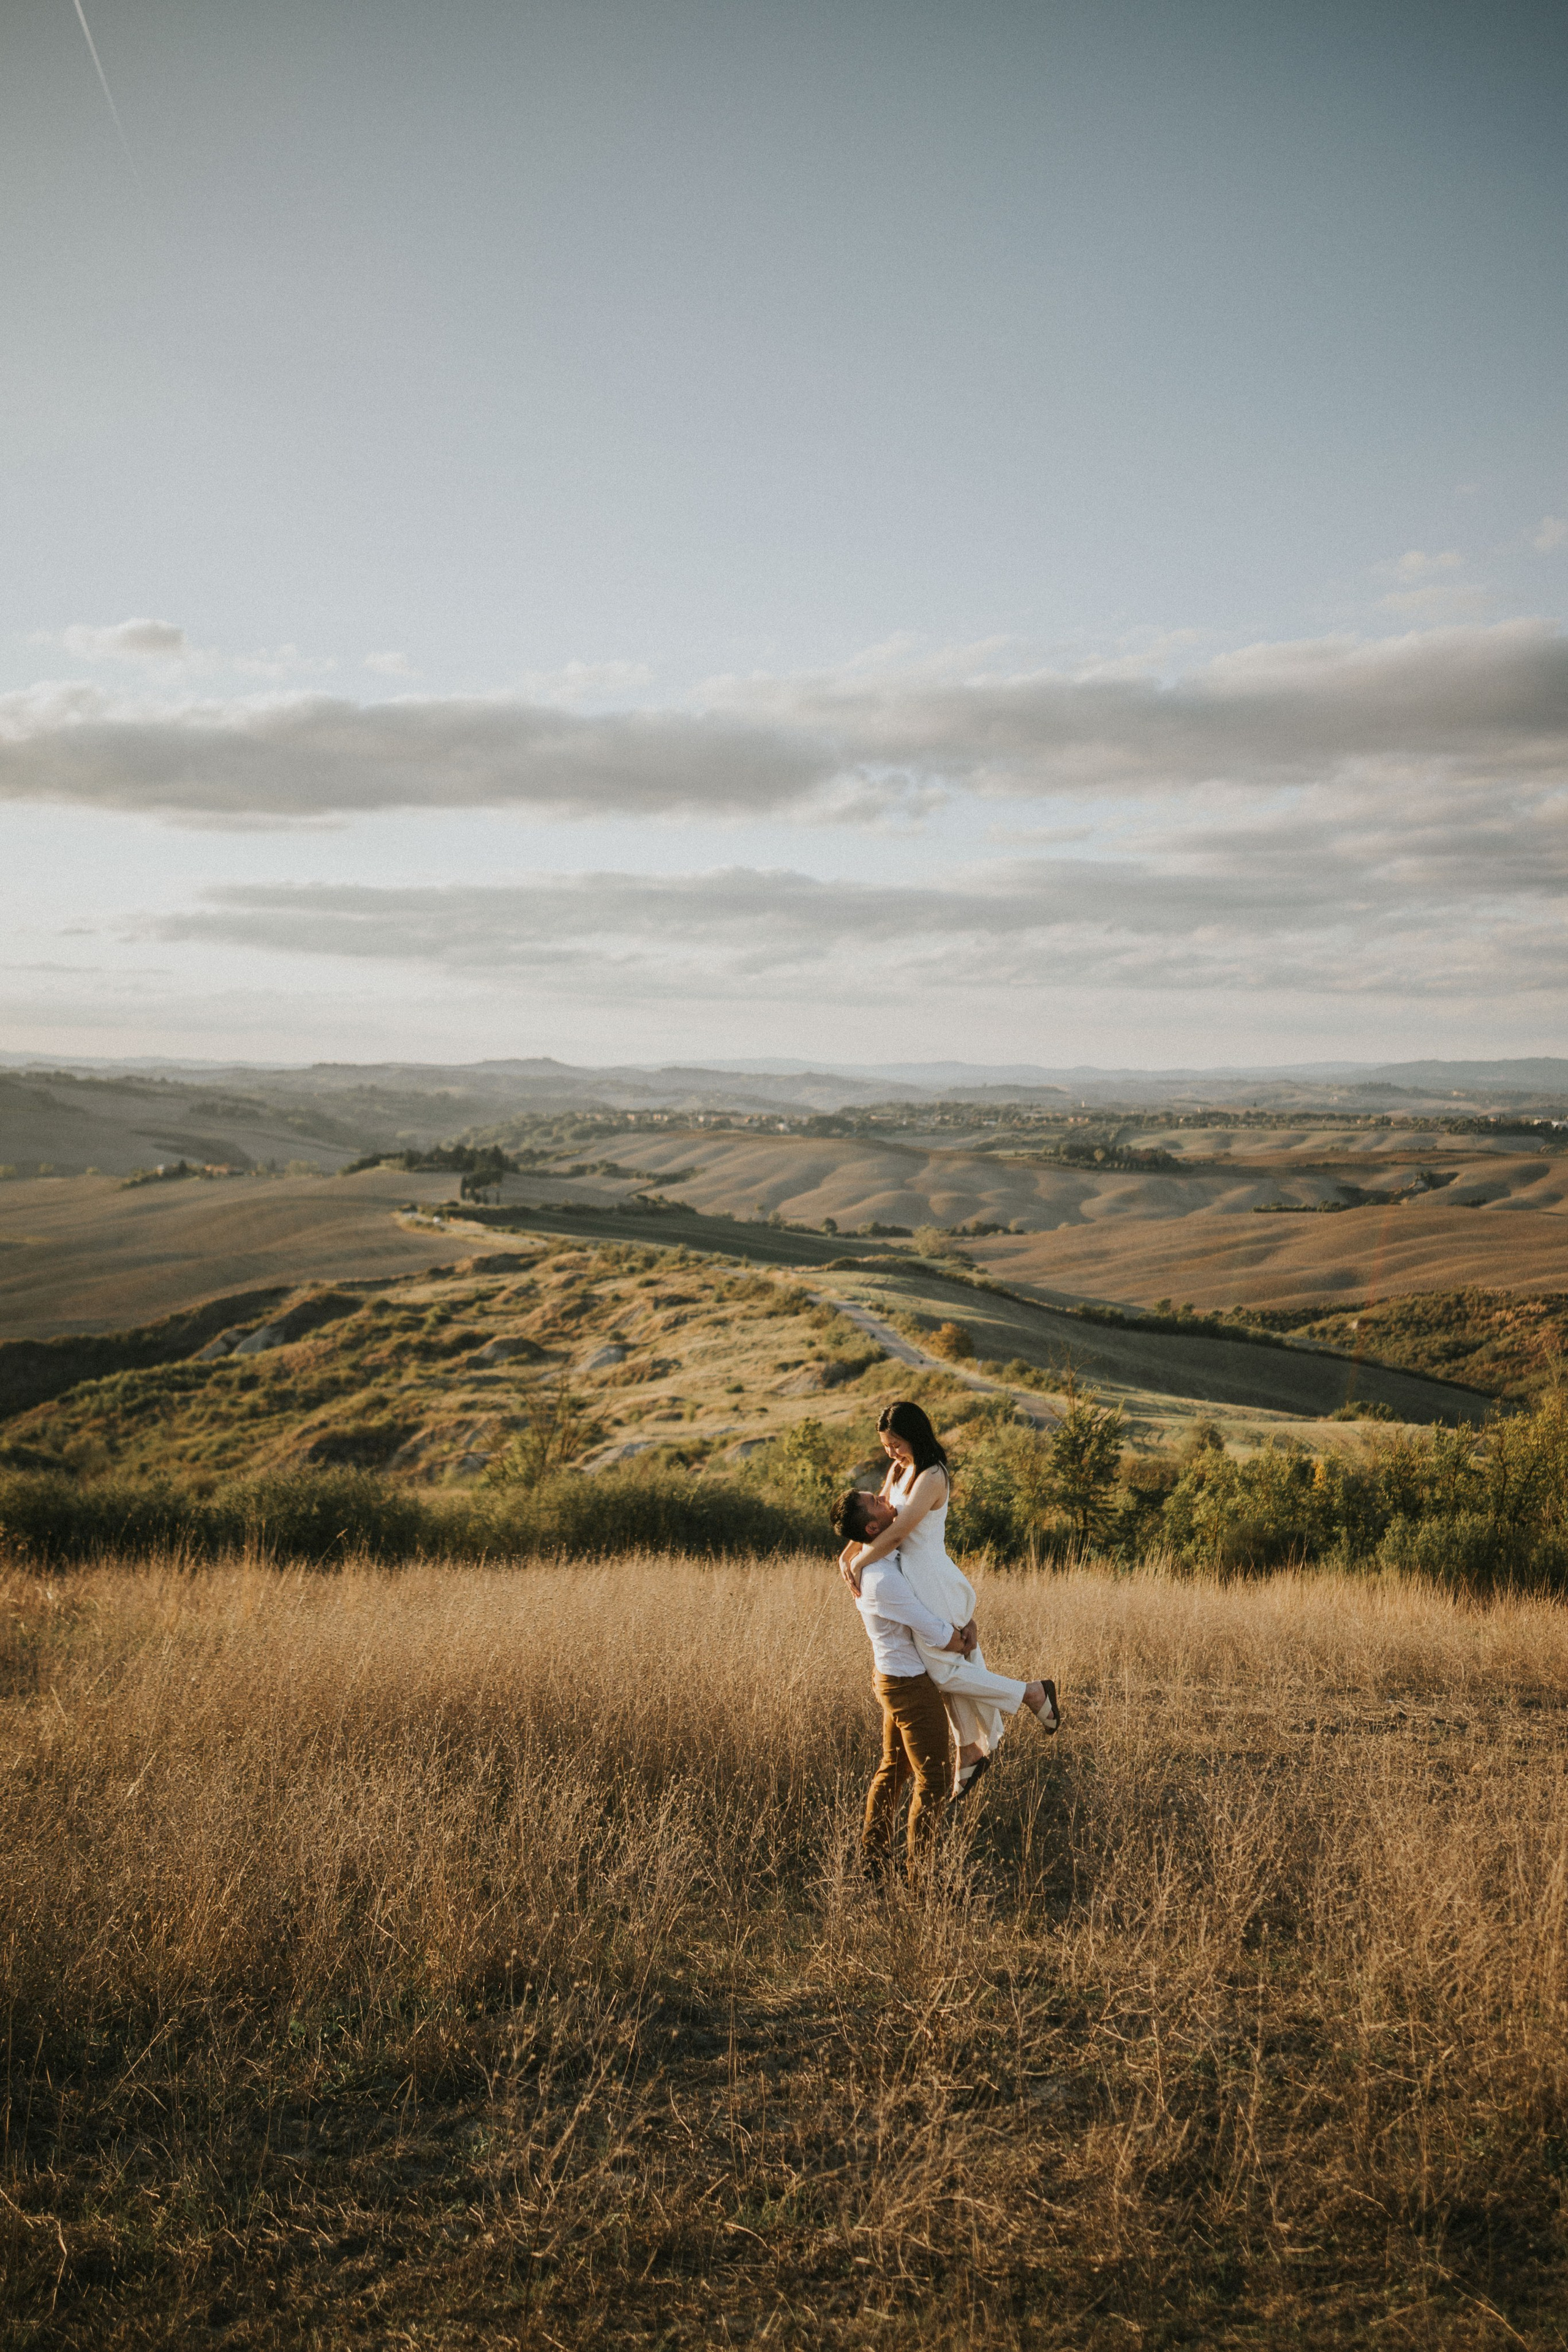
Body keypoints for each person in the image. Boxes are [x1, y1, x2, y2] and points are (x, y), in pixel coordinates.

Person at [835, 1399, 1060, 1801]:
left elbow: (900, 1530)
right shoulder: (898, 1469)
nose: (892, 1452)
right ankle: (971, 1748)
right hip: (912, 1580)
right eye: (887, 1446)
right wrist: (846, 1555)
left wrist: (861, 1562)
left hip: (932, 1578)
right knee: (948, 1667)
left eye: (897, 1444)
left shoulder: (932, 1476)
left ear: (915, 1436)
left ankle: (1031, 1694)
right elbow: (871, 1519)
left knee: (942, 1672)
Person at [830, 1502, 979, 1879]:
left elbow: (930, 1595)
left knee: (894, 1769)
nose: (887, 1500)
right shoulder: (882, 1578)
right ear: (872, 1528)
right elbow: (930, 1628)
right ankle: (920, 1878)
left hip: (893, 1677)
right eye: (877, 1503)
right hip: (908, 1685)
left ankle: (874, 1861)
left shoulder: (877, 1557)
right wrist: (962, 1641)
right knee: (935, 1778)